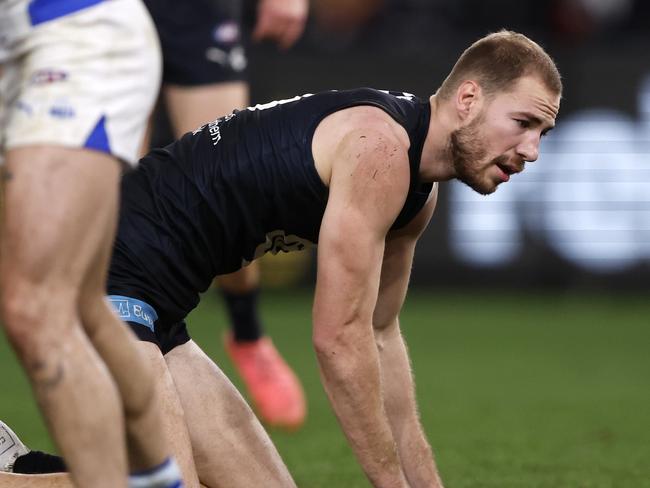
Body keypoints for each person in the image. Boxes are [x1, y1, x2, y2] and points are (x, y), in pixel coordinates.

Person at [0, 30, 562, 488]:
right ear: (468, 98)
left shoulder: (418, 195)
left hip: (159, 309)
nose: (532, 150)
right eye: (523, 123)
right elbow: (338, 339)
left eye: (543, 131)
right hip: (99, 267)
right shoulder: (380, 149)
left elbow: (380, 335)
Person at [0, 0, 183, 487]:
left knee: (35, 308)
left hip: (72, 36)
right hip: (20, 46)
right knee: (84, 305)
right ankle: (161, 482)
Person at [143, 0, 309, 429]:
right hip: (98, 11)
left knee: (224, 187)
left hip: (197, 12)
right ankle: (128, 343)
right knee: (105, 194)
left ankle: (247, 332)